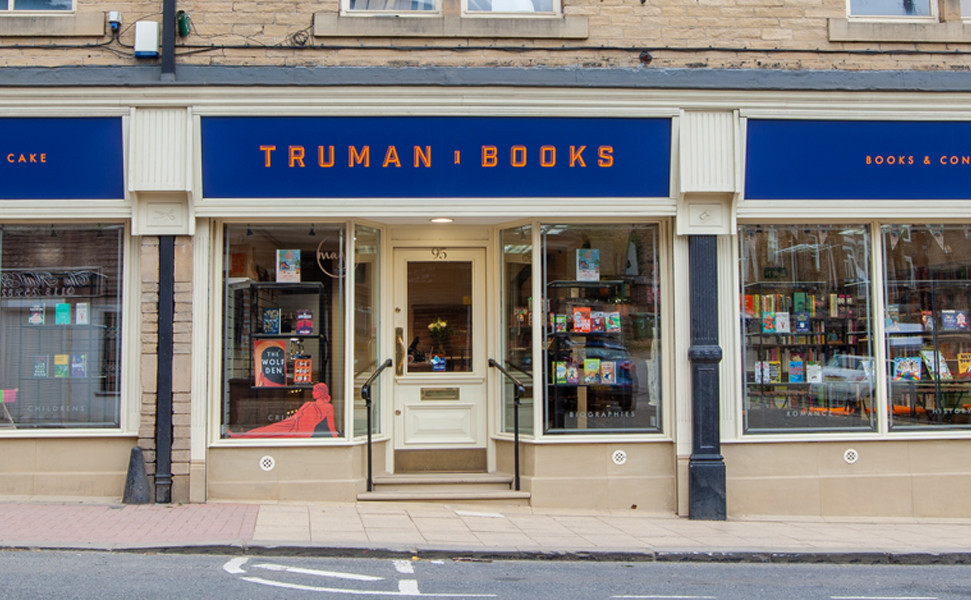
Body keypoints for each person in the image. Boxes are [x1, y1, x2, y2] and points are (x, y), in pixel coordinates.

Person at [229, 382, 337, 438]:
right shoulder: (308, 403)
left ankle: (244, 436)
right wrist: (286, 422)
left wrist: (336, 439)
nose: (313, 393)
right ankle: (243, 436)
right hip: (292, 424)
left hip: (301, 431)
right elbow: (296, 416)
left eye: (315, 391)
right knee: (269, 429)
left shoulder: (328, 407)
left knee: (271, 433)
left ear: (321, 392)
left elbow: (331, 425)